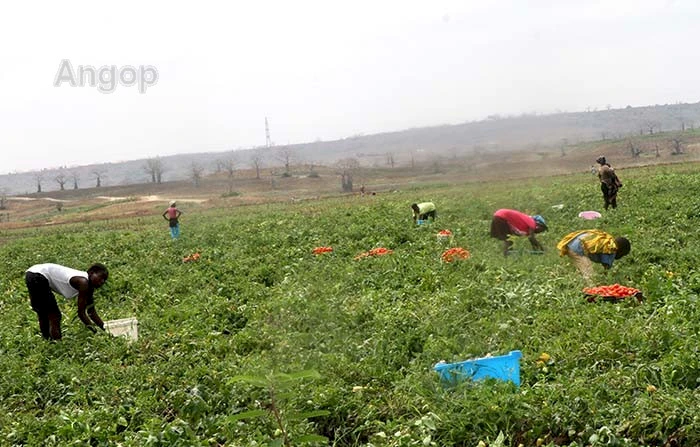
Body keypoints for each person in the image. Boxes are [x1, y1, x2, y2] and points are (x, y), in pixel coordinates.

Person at [25, 263, 109, 340]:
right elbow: (81, 313)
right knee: (54, 315)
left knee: (44, 313)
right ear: (91, 273)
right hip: (38, 275)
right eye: (101, 277)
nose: (102, 282)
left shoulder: (89, 287)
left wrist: (106, 329)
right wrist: (95, 332)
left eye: (104, 280)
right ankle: (57, 345)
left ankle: (48, 341)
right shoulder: (83, 282)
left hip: (32, 273)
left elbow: (91, 312)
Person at [557, 229, 630, 282]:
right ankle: (592, 294)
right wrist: (607, 280)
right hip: (578, 248)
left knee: (583, 270)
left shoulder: (607, 239)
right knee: (590, 275)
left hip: (572, 244)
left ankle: (580, 286)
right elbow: (606, 267)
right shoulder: (611, 247)